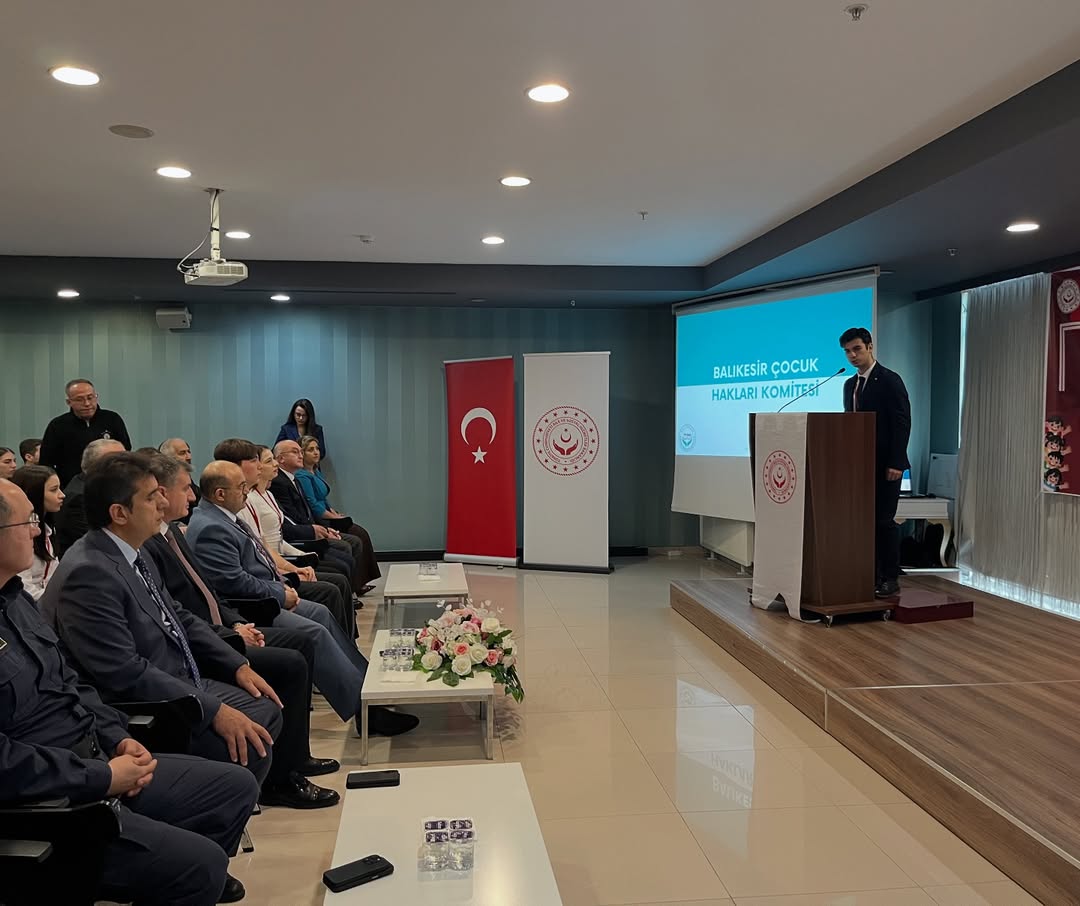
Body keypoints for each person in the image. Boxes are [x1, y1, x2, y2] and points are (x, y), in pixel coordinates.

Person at [0, 478, 258, 905]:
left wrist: (117, 737)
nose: (37, 530)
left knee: (234, 787)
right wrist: (102, 778)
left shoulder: (15, 601)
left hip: (94, 758)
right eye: (27, 520)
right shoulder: (85, 570)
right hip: (50, 805)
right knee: (201, 866)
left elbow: (72, 685)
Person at [39, 453, 285, 792]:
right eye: (152, 497)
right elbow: (124, 672)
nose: (163, 503)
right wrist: (213, 710)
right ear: (119, 513)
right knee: (254, 736)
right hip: (147, 704)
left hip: (178, 676)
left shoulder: (133, 550)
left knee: (267, 707)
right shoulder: (90, 573)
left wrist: (236, 664)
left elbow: (177, 615)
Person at [141, 453, 340, 808]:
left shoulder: (170, 532)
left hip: (223, 624)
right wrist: (230, 637)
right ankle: (281, 779)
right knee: (294, 656)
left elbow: (207, 592)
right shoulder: (152, 545)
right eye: (185, 489)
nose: (192, 496)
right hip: (202, 644)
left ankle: (295, 758)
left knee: (302, 643)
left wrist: (234, 623)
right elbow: (181, 613)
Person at [186, 461, 418, 737]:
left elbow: (259, 561)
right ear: (220, 494)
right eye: (241, 487)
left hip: (266, 591)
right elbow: (232, 581)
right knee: (314, 632)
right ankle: (364, 710)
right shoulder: (211, 527)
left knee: (321, 613)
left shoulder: (223, 517)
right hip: (251, 606)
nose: (247, 491)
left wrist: (284, 582)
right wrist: (280, 592)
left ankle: (368, 686)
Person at [214, 438, 354, 636]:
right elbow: (251, 564)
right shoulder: (239, 504)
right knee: (331, 588)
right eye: (258, 461)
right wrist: (285, 578)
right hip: (266, 584)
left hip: (275, 568)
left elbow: (264, 545)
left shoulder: (260, 497)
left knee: (339, 569)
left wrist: (294, 568)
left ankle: (347, 645)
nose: (267, 465)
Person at [840, 327, 911, 599]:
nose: (852, 355)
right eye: (847, 351)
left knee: (883, 520)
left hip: (886, 465)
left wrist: (896, 461)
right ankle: (869, 574)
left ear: (870, 347)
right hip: (859, 466)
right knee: (862, 521)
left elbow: (902, 422)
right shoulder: (850, 385)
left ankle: (890, 577)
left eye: (857, 349)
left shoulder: (890, 380)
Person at [294, 434, 382, 592]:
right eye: (310, 450)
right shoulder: (302, 476)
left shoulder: (315, 471)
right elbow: (314, 505)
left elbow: (323, 499)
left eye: (317, 448)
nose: (316, 452)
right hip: (320, 520)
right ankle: (356, 584)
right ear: (302, 453)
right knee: (358, 535)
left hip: (327, 514)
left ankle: (359, 581)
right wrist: (333, 517)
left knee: (361, 533)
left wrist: (334, 512)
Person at [39, 378, 132, 487]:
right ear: (69, 402)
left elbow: (126, 451)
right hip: (71, 486)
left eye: (90, 398)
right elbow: (46, 462)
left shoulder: (112, 419)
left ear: (96, 397)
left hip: (111, 483)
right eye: (79, 399)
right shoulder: (58, 425)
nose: (87, 403)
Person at [53, 437, 125, 557]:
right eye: (121, 462)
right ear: (98, 465)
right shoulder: (79, 498)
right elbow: (101, 542)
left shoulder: (96, 486)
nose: (129, 467)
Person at [10, 464, 64, 600]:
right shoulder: (17, 535)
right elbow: (24, 591)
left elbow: (54, 575)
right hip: (32, 605)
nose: (62, 495)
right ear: (34, 494)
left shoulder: (48, 527)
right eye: (54, 490)